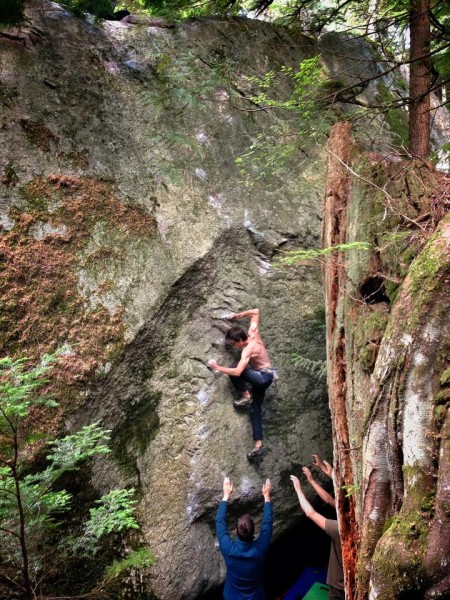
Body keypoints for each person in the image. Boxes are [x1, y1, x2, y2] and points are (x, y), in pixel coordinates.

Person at [208, 308, 274, 461]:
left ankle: (245, 395)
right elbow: (256, 312)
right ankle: (258, 446)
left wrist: (217, 367)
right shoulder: (253, 333)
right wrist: (238, 316)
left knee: (234, 367)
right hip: (264, 378)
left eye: (233, 343)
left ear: (239, 341)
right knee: (255, 410)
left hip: (262, 377)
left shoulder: (247, 350)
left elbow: (238, 372)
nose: (233, 346)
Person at [290, 467, 345, 600]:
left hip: (339, 586)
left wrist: (298, 489)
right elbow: (330, 501)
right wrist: (312, 480)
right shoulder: (360, 526)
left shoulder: (340, 529)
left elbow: (311, 513)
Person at [215, 476, 273, 600]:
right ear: (254, 531)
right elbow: (267, 523)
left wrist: (226, 495)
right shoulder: (261, 548)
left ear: (236, 531)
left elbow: (219, 520)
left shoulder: (228, 549)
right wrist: (267, 497)